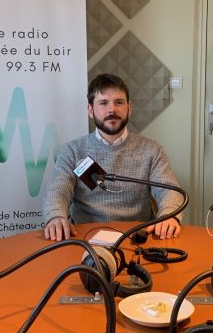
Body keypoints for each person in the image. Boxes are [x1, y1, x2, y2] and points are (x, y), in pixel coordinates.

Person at [42, 73, 184, 241]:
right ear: (90, 110)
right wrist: (56, 216)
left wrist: (169, 215)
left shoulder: (152, 150)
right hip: (85, 237)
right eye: (103, 103)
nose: (112, 109)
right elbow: (58, 189)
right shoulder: (73, 151)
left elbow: (169, 190)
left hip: (138, 236)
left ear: (129, 108)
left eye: (119, 102)